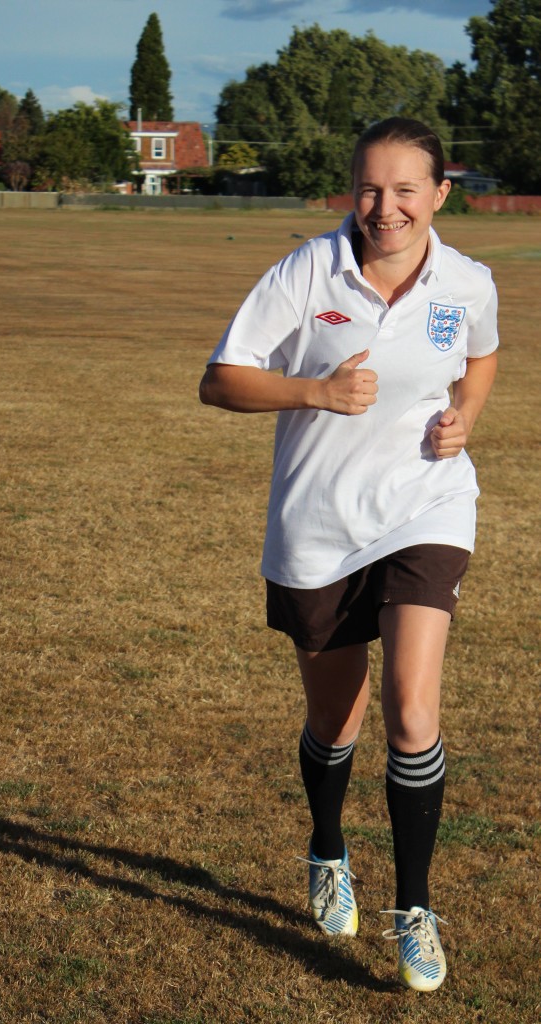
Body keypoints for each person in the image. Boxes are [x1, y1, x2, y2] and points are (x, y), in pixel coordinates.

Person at [199, 117, 498, 993]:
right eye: (370, 188)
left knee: (412, 709)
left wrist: (467, 417)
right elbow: (219, 378)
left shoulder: (469, 283)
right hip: (318, 528)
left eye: (407, 190)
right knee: (338, 724)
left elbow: (480, 359)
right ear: (351, 190)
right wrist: (315, 391)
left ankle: (416, 910)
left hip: (425, 507)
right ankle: (328, 849)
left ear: (440, 194)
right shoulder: (306, 271)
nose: (386, 207)